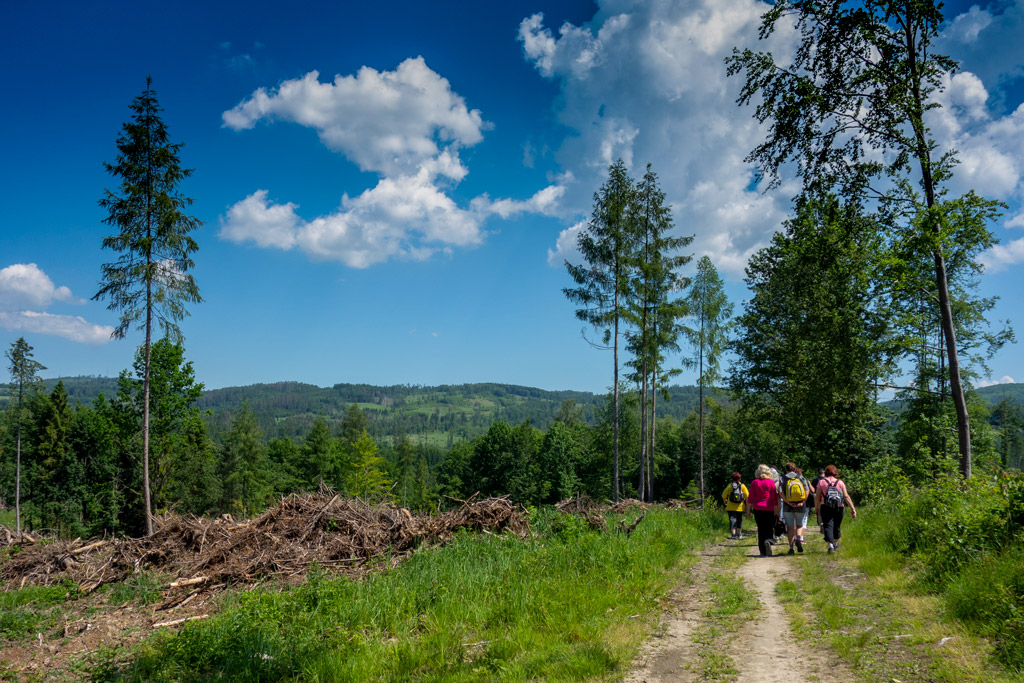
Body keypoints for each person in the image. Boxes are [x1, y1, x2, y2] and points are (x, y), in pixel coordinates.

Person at [815, 464, 857, 553]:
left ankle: (830, 545)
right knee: (837, 525)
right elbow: (846, 496)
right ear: (836, 473)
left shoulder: (821, 482)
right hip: (839, 507)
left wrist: (816, 508)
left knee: (827, 525)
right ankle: (835, 542)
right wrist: (852, 508)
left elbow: (817, 497)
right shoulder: (840, 482)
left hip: (825, 506)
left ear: (826, 472)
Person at [746, 464, 780, 556]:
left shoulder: (754, 482)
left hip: (757, 508)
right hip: (769, 508)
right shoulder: (770, 482)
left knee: (761, 529)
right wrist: (776, 510)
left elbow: (750, 498)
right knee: (769, 527)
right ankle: (768, 540)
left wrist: (748, 511)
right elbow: (774, 498)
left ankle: (762, 551)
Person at [780, 462, 811, 554]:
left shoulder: (782, 478)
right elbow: (807, 491)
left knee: (790, 527)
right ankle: (798, 538)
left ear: (786, 469)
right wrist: (802, 502)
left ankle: (791, 548)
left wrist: (787, 502)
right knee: (799, 525)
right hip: (800, 505)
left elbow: (780, 492)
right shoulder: (801, 477)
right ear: (794, 468)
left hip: (787, 506)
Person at [721, 472, 749, 540]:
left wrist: (725, 500)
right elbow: (747, 496)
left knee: (732, 520)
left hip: (730, 507)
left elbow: (723, 495)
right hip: (740, 507)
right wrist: (747, 507)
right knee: (739, 520)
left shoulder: (730, 486)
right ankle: (739, 534)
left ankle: (733, 535)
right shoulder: (742, 486)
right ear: (739, 478)